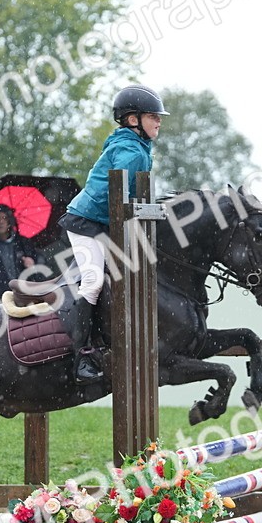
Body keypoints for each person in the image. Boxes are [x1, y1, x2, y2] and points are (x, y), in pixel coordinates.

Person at [57, 83, 169, 384]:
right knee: (93, 282)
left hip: (107, 225)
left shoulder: (139, 148)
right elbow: (119, 196)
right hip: (84, 224)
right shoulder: (130, 151)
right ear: (133, 120)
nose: (159, 122)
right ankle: (81, 357)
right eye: (153, 116)